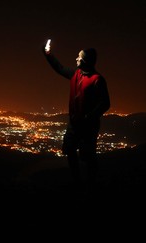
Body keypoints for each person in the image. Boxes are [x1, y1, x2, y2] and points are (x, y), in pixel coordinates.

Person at [42, 40, 110, 190]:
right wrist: (47, 53)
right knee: (70, 150)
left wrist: (90, 117)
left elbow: (105, 103)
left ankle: (90, 184)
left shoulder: (97, 80)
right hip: (73, 125)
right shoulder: (76, 74)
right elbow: (59, 68)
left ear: (85, 61)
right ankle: (77, 181)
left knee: (87, 156)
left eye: (79, 57)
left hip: (88, 127)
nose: (76, 59)